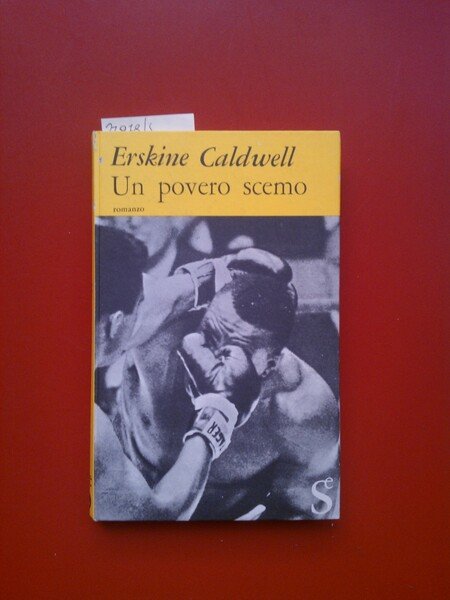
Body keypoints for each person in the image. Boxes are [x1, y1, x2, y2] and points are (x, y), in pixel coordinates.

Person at [105, 248, 340, 520]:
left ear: (270, 365)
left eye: (232, 352)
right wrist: (212, 272)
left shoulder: (301, 409)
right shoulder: (159, 330)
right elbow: (103, 316)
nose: (208, 358)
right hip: (120, 478)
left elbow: (308, 512)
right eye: (209, 334)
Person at [93, 225, 260, 520]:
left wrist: (213, 274)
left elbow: (153, 302)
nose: (146, 307)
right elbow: (153, 518)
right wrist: (216, 417)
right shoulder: (89, 430)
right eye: (139, 305)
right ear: (114, 322)